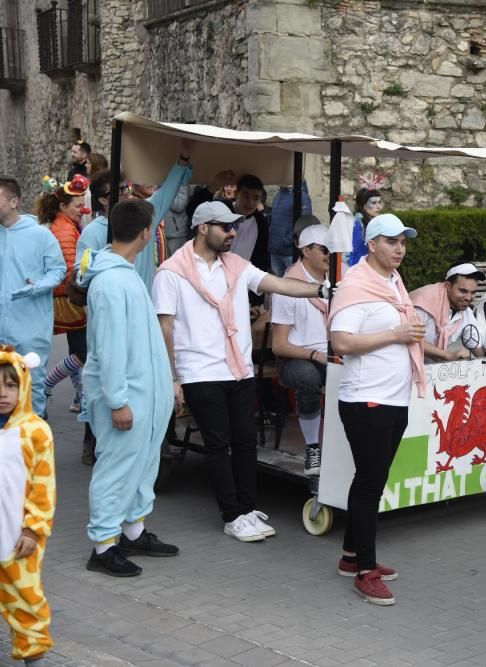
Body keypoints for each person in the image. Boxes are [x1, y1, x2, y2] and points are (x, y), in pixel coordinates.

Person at [153, 201, 331, 543]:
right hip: (199, 371)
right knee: (219, 444)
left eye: (234, 226)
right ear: (203, 227)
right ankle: (231, 515)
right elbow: (165, 330)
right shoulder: (171, 272)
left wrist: (319, 290)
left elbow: (277, 284)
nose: (233, 232)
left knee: (245, 440)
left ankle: (248, 509)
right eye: (225, 227)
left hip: (238, 368)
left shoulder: (235, 264)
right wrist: (173, 378)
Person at [78, 200, 178, 577]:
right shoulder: (109, 282)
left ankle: (132, 530)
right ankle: (103, 546)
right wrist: (117, 401)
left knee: (143, 465)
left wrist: (165, 387)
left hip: (145, 396)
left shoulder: (126, 274)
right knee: (116, 469)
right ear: (143, 234)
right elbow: (109, 348)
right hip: (127, 398)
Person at [329, 213, 425, 606]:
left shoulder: (392, 282)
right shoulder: (356, 286)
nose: (399, 248)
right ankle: (366, 572)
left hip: (393, 398)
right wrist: (396, 334)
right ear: (371, 245)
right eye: (391, 241)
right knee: (370, 484)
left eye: (403, 241)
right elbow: (341, 342)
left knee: (371, 480)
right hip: (366, 400)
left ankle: (351, 557)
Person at [76, 142, 193, 294]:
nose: (124, 193)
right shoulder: (92, 232)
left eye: (125, 187)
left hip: (146, 300)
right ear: (103, 200)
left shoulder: (143, 214)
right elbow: (81, 274)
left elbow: (168, 191)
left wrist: (183, 159)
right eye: (118, 190)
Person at [0, 347, 56, 665]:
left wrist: (33, 529)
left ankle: (35, 658)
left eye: (10, 385)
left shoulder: (35, 431)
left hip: (17, 540)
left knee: (26, 602)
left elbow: (43, 487)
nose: (3, 393)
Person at [0, 177, 66, 415]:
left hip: (30, 329)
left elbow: (58, 270)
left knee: (31, 388)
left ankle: (34, 445)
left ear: (14, 201)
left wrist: (37, 286)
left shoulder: (41, 235)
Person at [271, 224, 332, 477]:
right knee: (309, 378)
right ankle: (312, 449)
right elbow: (279, 345)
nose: (331, 255)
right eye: (325, 250)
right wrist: (314, 355)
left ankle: (347, 447)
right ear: (306, 251)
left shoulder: (336, 281)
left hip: (330, 354)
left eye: (333, 250)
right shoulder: (288, 286)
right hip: (295, 358)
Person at [37, 176, 90, 417]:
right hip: (69, 300)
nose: (83, 210)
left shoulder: (64, 225)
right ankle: (47, 385)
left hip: (65, 298)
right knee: (82, 352)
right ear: (63, 207)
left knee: (77, 351)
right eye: (78, 206)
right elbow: (70, 270)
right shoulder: (65, 231)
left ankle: (80, 397)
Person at [411, 262, 486, 362]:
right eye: (463, 291)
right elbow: (410, 338)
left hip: (432, 368)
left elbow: (475, 344)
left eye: (473, 292)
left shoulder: (465, 312)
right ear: (448, 286)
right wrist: (446, 355)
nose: (468, 298)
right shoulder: (423, 303)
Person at [228, 174, 270, 277]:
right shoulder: (222, 210)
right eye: (246, 196)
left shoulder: (261, 223)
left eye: (255, 198)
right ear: (237, 193)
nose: (250, 202)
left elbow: (261, 257)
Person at [269, 182, 313, 276]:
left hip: (290, 252)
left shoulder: (302, 197)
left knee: (293, 284)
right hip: (275, 251)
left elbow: (304, 223)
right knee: (278, 287)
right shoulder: (278, 195)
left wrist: (288, 240)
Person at [348, 179, 385, 268]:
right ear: (363, 205)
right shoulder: (357, 225)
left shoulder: (376, 223)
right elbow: (351, 253)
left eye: (379, 202)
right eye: (373, 203)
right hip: (359, 271)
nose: (378, 207)